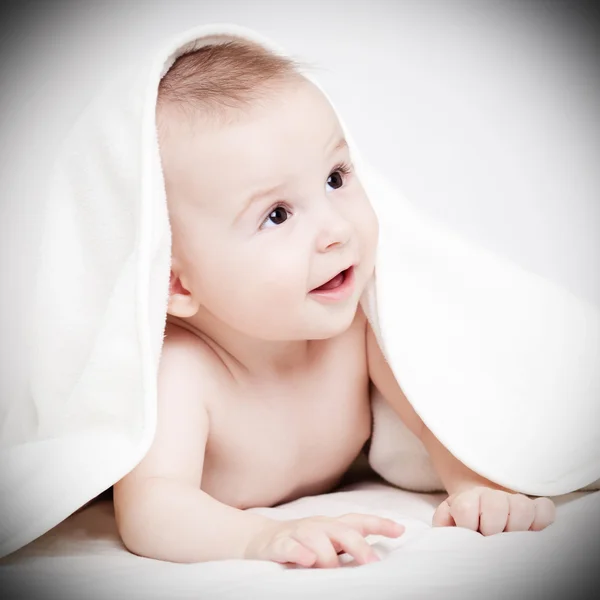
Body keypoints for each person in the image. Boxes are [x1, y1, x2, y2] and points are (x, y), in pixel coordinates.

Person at [113, 39, 555, 568]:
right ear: (176, 285)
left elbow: (437, 421)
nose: (336, 230)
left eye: (335, 178)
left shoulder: (355, 330)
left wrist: (472, 484)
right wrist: (260, 538)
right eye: (277, 214)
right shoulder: (184, 372)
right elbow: (153, 508)